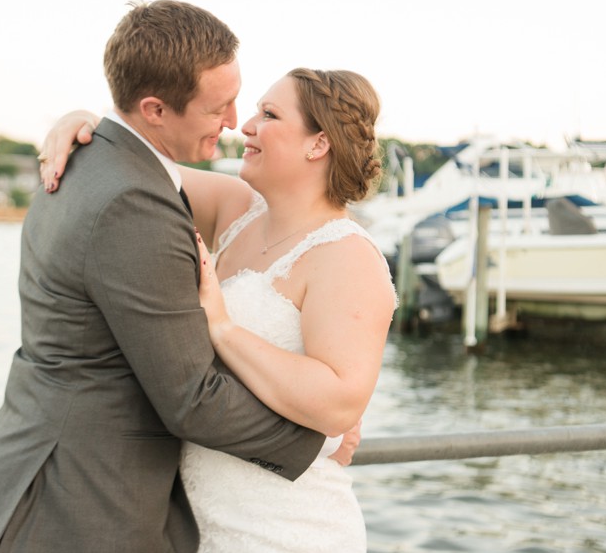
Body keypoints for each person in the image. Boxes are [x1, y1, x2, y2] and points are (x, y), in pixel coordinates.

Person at [0, 0, 326, 553]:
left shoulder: (94, 160)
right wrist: (314, 441)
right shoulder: (131, 201)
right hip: (81, 510)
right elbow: (191, 400)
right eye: (218, 107)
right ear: (155, 109)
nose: (234, 121)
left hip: (48, 482)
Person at [42, 67, 397, 551]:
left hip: (288, 528)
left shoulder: (347, 256)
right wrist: (81, 122)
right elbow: (133, 161)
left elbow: (340, 402)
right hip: (200, 526)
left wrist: (225, 330)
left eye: (268, 115)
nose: (243, 125)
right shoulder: (236, 208)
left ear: (319, 143)